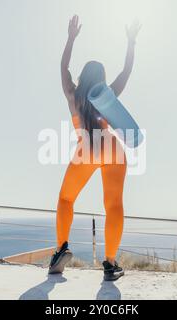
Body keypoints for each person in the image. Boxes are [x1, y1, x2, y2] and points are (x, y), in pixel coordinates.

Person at [48, 15, 141, 281]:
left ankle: (61, 248)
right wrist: (131, 42)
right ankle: (111, 263)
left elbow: (62, 67)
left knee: (66, 199)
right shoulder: (107, 95)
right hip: (113, 148)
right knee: (114, 205)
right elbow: (126, 72)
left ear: (81, 76)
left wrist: (71, 38)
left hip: (86, 149)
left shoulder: (72, 94)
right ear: (101, 79)